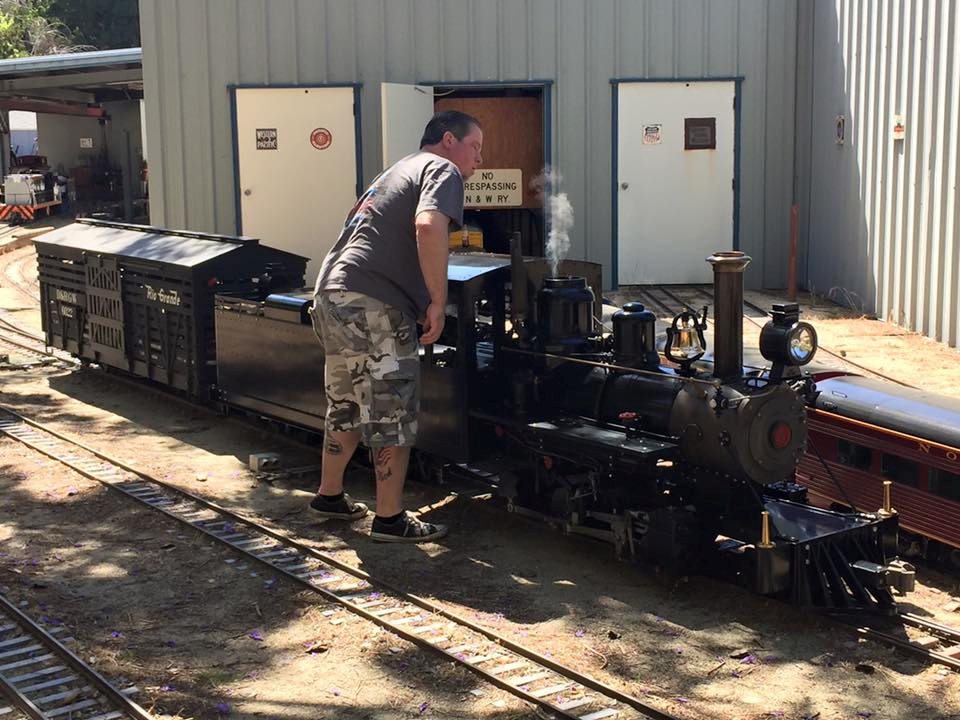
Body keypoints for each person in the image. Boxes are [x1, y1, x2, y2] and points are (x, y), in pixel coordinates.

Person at [308, 110, 483, 543]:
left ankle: (330, 495)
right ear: (449, 140)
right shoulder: (441, 169)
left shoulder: (396, 171)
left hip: (332, 295)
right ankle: (390, 519)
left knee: (346, 403)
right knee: (392, 409)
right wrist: (437, 301)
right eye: (476, 147)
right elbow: (429, 226)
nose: (479, 159)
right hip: (374, 303)